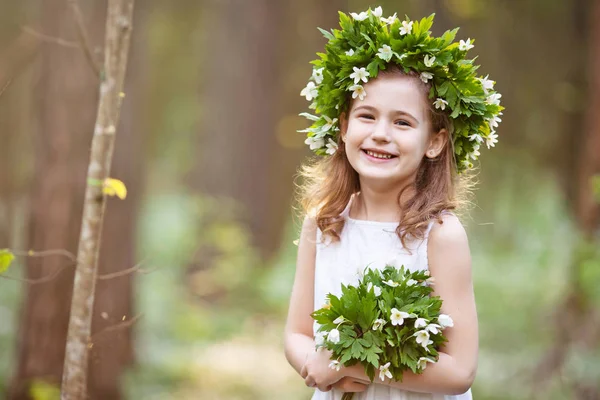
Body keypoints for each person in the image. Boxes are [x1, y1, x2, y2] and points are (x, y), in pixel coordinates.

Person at [284, 6, 503, 400]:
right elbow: (297, 332)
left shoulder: (439, 235)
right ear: (344, 127)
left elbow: (460, 370)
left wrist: (353, 363)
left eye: (402, 122)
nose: (381, 134)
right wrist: (311, 363)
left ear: (434, 141)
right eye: (367, 116)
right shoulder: (325, 222)